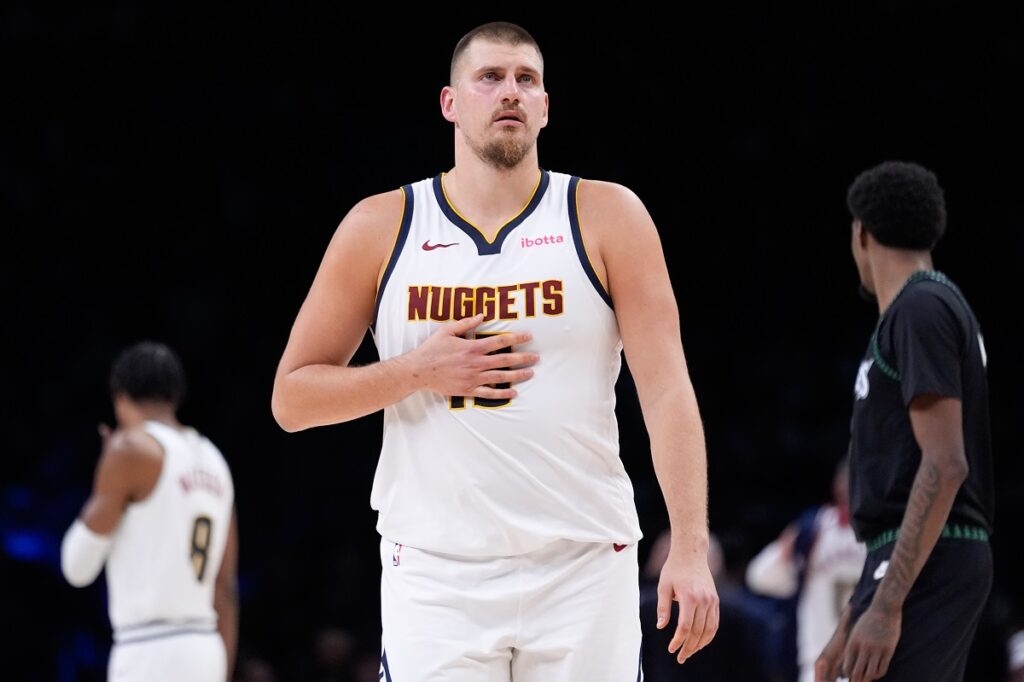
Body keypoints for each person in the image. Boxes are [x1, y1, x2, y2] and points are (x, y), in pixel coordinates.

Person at [271, 20, 718, 681]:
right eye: (489, 78)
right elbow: (293, 399)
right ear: (451, 103)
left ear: (544, 107)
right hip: (437, 572)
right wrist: (416, 370)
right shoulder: (381, 226)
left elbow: (667, 389)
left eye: (525, 80)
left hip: (584, 566)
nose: (509, 91)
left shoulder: (607, 215)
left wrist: (689, 545)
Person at [815, 161, 994, 682]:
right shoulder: (920, 309)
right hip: (906, 558)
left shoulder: (921, 307)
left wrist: (888, 603)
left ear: (861, 233)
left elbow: (944, 464)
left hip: (932, 556)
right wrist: (856, 613)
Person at [60, 341, 239, 682]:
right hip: (207, 647)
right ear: (176, 395)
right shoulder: (215, 459)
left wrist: (106, 474)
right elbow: (225, 588)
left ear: (120, 397)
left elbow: (76, 567)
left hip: (148, 651)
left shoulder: (130, 448)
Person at [746, 455, 865, 682]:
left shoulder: (886, 530)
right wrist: (788, 546)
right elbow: (759, 577)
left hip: (865, 662)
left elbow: (758, 577)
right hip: (820, 663)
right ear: (837, 485)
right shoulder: (815, 526)